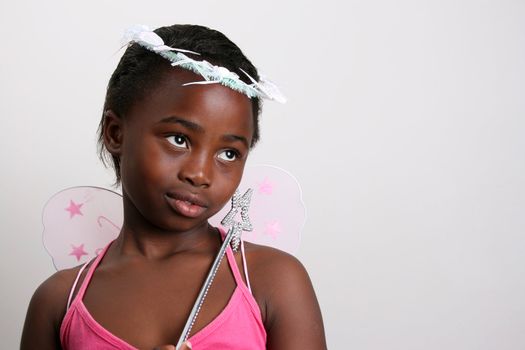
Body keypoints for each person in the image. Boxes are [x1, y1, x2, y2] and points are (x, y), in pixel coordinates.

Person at [21, 24, 326, 349]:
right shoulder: (59, 303)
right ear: (115, 133)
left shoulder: (273, 282)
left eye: (229, 153)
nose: (199, 174)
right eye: (178, 140)